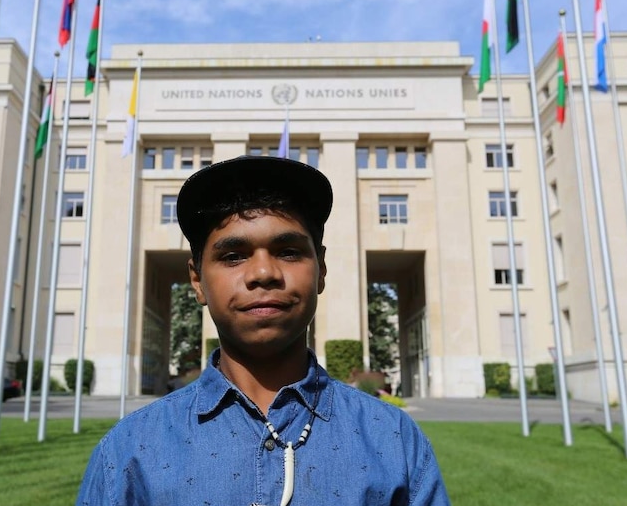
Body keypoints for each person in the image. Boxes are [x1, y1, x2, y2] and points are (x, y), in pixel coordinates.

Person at [76, 156, 450, 505]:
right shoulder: (129, 452)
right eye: (233, 256)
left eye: (288, 251)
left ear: (320, 270)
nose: (263, 273)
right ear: (197, 281)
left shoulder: (394, 439)